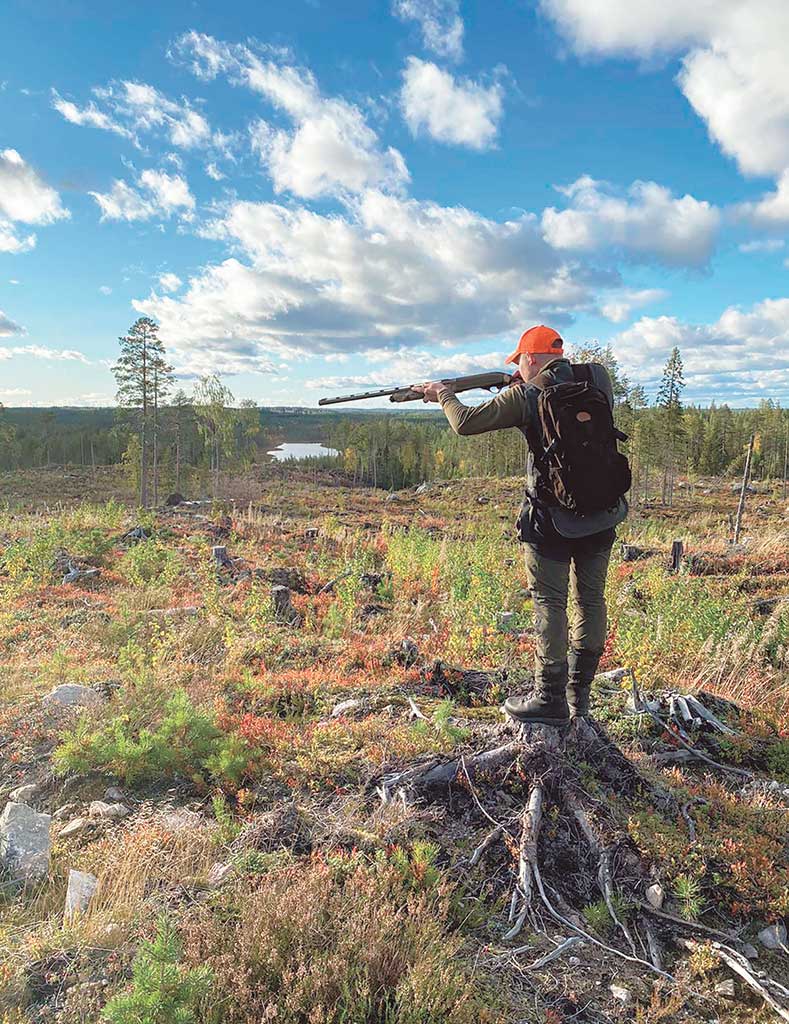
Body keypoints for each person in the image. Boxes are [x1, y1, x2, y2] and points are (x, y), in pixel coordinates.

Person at [413, 325, 628, 726]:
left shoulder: (525, 395)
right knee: (591, 601)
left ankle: (549, 700)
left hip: (552, 520)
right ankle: (579, 701)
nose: (518, 366)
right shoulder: (598, 377)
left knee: (550, 602)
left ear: (528, 359)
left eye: (519, 360)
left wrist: (442, 393)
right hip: (602, 511)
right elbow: (561, 387)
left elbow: (465, 423)